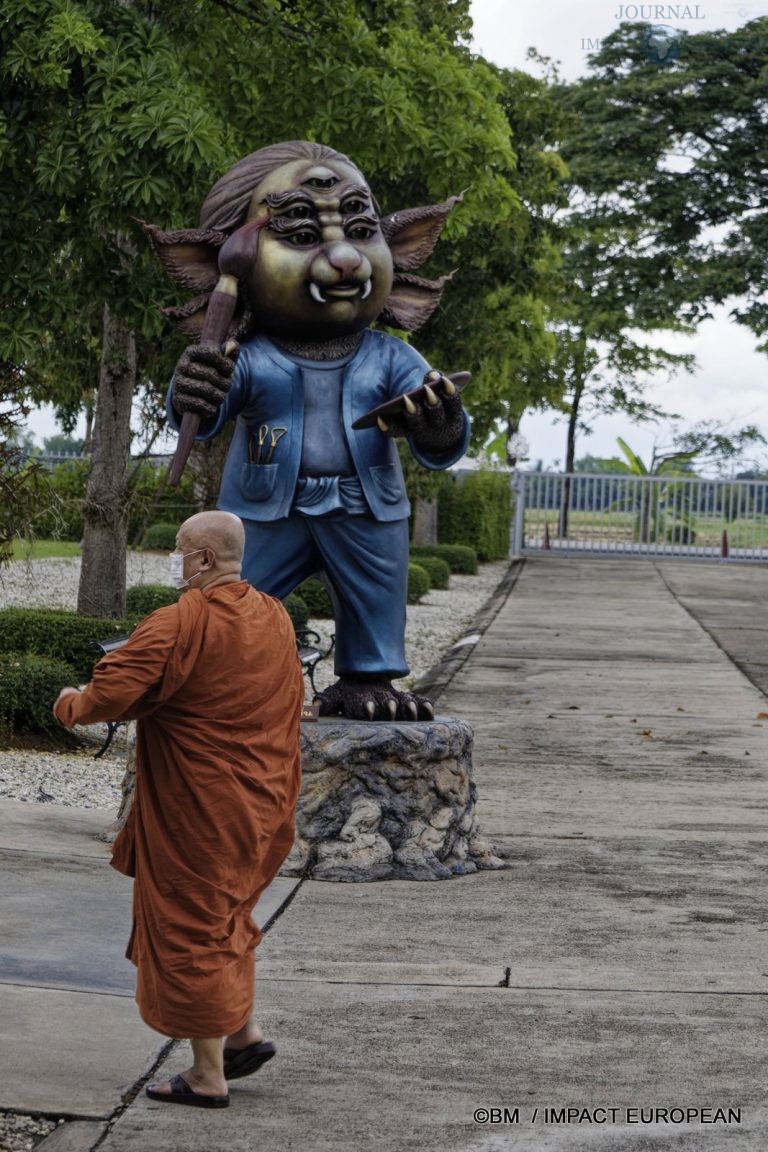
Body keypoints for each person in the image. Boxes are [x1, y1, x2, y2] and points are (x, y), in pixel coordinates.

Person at [54, 511, 303, 1109]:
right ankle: (243, 1034)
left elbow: (108, 696)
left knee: (191, 926)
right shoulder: (275, 617)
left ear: (205, 560)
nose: (175, 557)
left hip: (202, 810)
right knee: (226, 916)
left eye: (180, 549)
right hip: (263, 804)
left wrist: (68, 704)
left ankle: (207, 1075)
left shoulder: (179, 621)